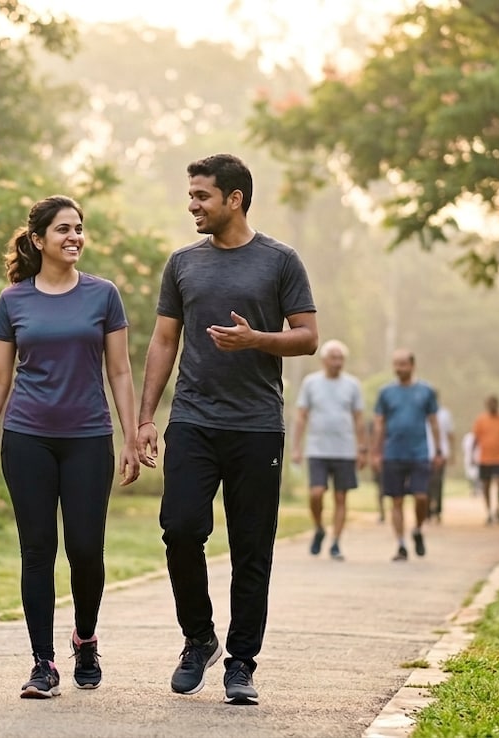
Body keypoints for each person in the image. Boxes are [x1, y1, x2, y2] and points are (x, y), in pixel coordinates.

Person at [136, 154, 317, 706]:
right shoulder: (182, 264)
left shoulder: (280, 261)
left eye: (201, 196)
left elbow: (307, 337)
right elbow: (164, 340)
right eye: (190, 195)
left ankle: (241, 664)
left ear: (234, 198)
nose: (192, 205)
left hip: (256, 427)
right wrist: (146, 416)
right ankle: (199, 638)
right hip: (192, 419)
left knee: (251, 548)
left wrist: (257, 340)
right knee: (181, 528)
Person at [0, 195, 140, 700]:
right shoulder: (13, 301)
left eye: (79, 229)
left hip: (88, 437)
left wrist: (131, 436)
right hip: (27, 439)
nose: (75, 237)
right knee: (37, 551)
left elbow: (120, 371)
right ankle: (43, 663)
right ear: (38, 239)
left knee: (86, 550)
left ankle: (85, 638)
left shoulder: (103, 295)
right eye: (64, 229)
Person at [291, 339, 365, 561]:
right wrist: (296, 447)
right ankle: (319, 527)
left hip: (344, 449)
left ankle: (336, 543)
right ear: (323, 360)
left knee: (341, 497)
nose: (337, 362)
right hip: (317, 449)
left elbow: (359, 418)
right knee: (316, 493)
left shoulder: (352, 385)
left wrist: (363, 449)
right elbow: (301, 416)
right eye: (333, 357)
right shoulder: (311, 383)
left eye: (341, 358)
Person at [372, 349, 443, 562]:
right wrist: (376, 451)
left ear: (412, 365)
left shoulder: (426, 391)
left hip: (419, 452)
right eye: (396, 364)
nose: (398, 368)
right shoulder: (385, 393)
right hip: (393, 453)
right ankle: (401, 545)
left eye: (402, 364)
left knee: (421, 497)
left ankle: (418, 529)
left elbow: (433, 422)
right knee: (396, 501)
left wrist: (438, 450)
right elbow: (379, 424)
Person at [471, 394, 499, 525]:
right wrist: (472, 455)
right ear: (486, 406)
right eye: (490, 404)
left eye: (494, 404)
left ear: (498, 405)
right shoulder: (480, 420)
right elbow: (475, 439)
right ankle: (489, 511)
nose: (492, 406)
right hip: (485, 458)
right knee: (486, 486)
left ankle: (498, 508)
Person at [425, 392, 455, 523]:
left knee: (438, 483)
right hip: (424, 453)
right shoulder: (422, 413)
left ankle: (437, 510)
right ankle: (426, 511)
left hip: (440, 453)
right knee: (425, 484)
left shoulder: (444, 414)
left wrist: (452, 453)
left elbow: (450, 435)